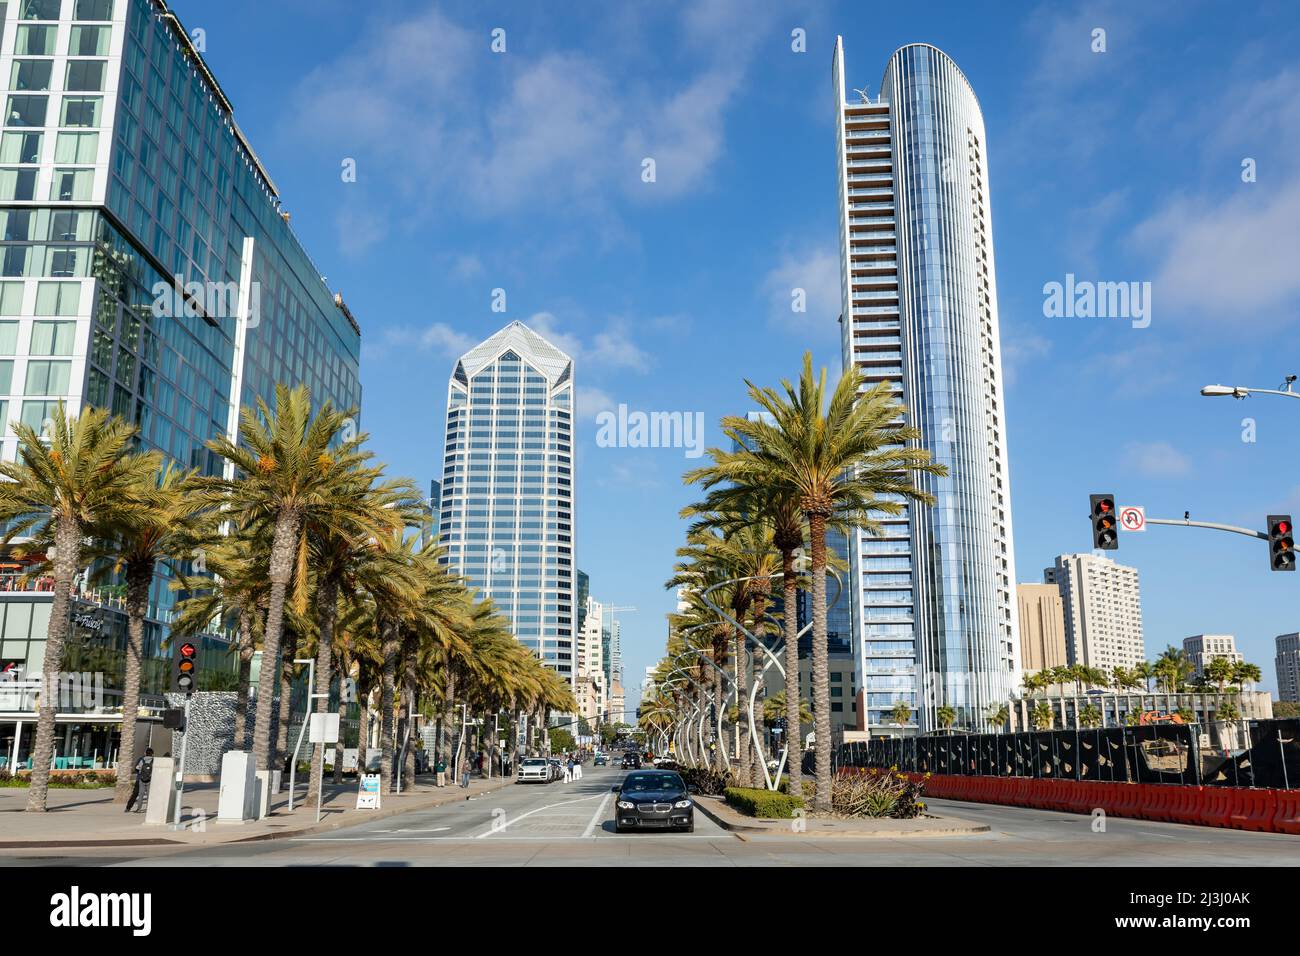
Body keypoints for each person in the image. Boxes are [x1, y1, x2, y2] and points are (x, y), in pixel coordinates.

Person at [125, 748, 154, 813]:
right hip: (150, 779)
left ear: (145, 753)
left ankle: (128, 808)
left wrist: (141, 773)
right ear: (152, 753)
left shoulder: (141, 759)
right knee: (149, 795)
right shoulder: (154, 760)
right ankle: (149, 809)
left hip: (140, 779)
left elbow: (136, 768)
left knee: (135, 794)